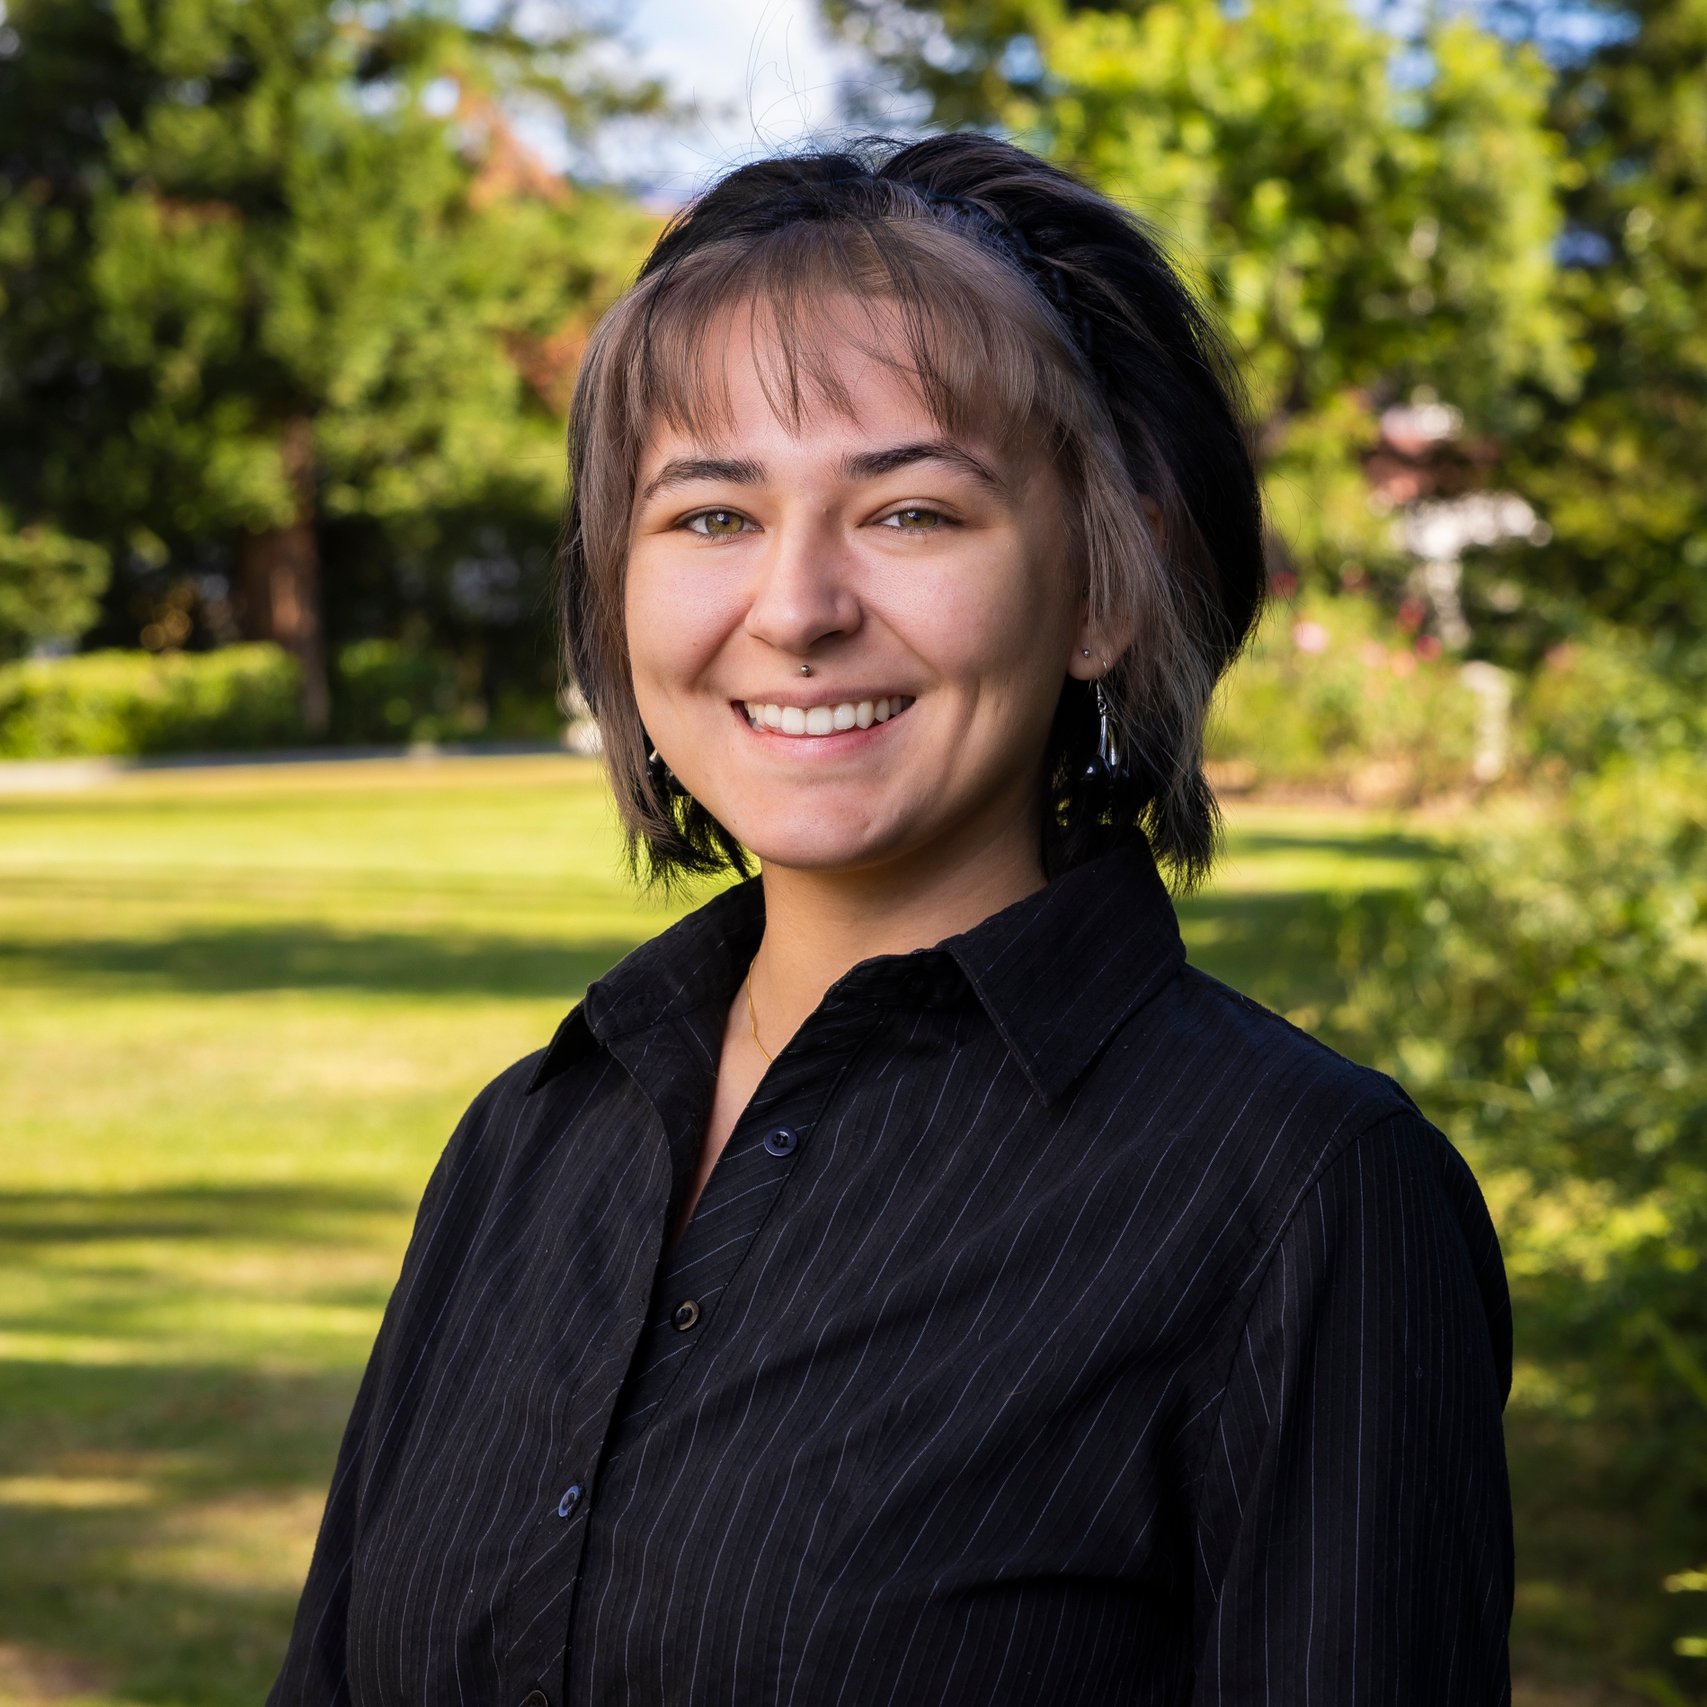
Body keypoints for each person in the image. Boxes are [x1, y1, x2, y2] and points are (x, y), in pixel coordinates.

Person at [269, 133, 1513, 1706]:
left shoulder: (1306, 1200)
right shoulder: (527, 1142)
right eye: (711, 516)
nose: (794, 609)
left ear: (1103, 593)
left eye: (912, 512)